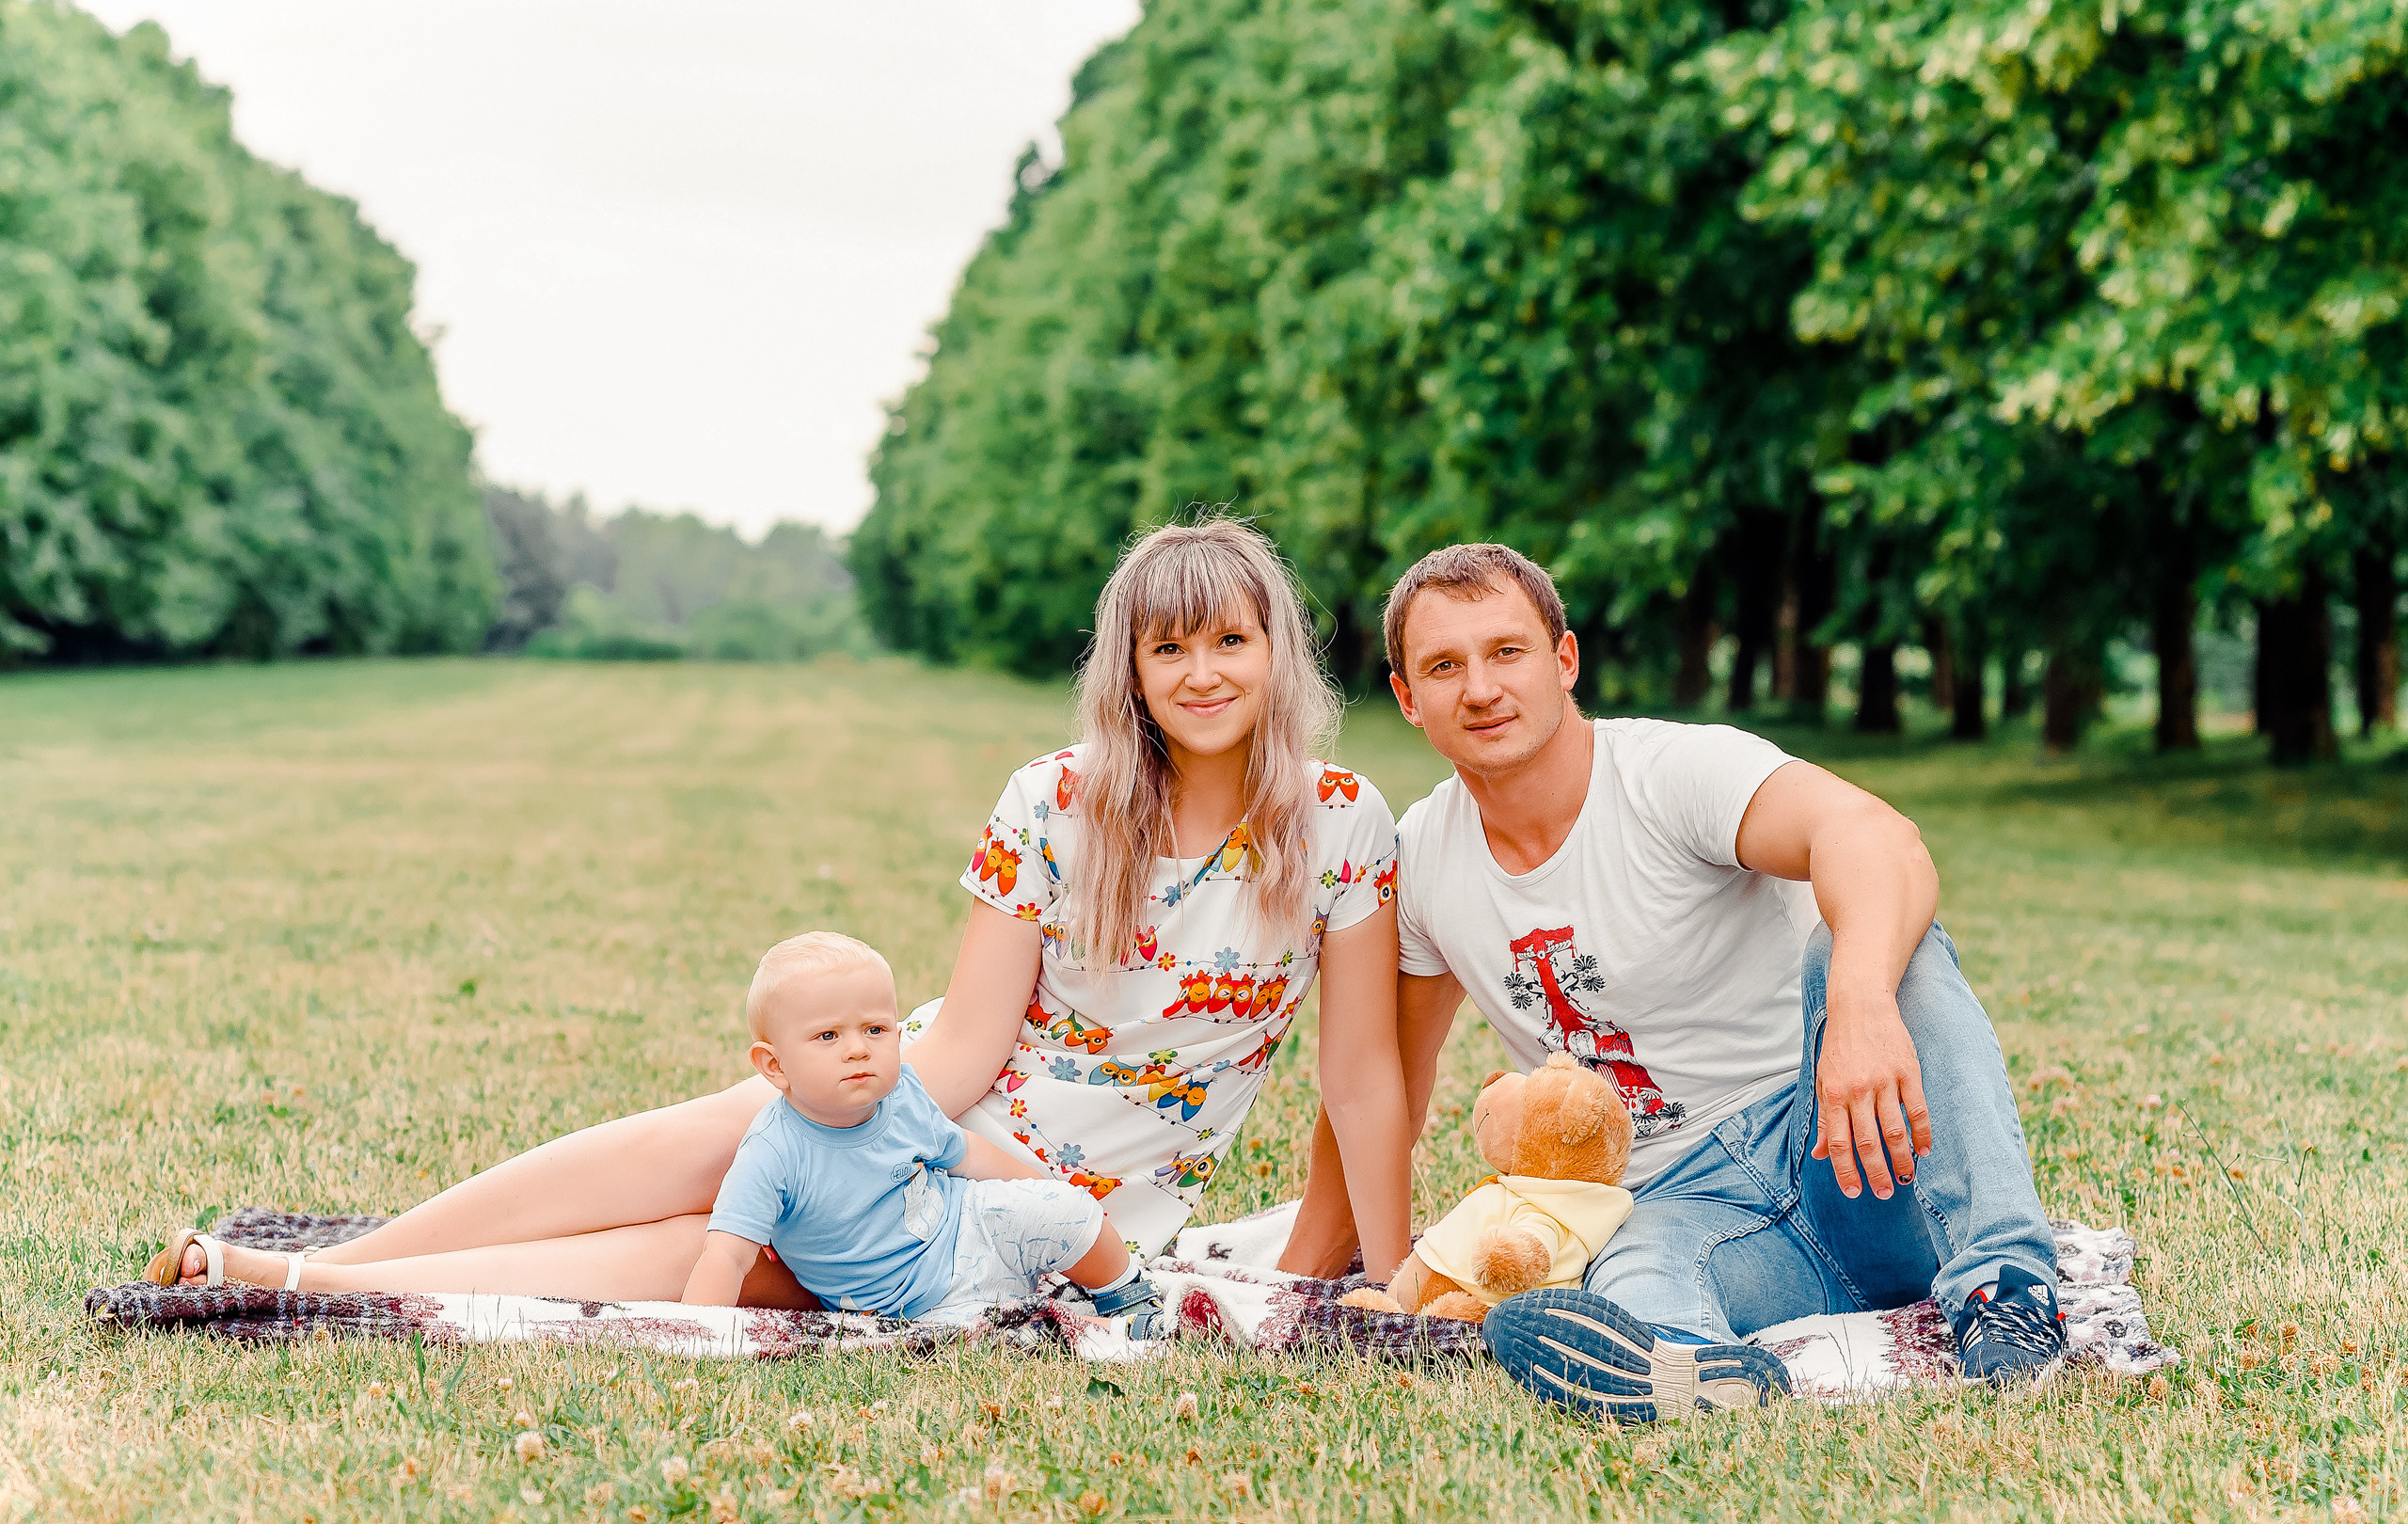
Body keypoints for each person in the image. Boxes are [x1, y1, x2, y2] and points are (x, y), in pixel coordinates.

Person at [149, 519, 1414, 1301]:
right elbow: (966, 1046)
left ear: (1275, 653)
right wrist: (863, 1128)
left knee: (740, 1256)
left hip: (1081, 1194)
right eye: (1169, 650)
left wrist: (1395, 1270)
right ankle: (341, 1265)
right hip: (941, 1097)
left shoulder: (1344, 821)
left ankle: (304, 1278)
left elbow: (1357, 1081)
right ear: (1129, 670)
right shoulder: (1056, 798)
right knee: (733, 1133)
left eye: (1229, 644)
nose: (1201, 675)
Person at [1284, 543, 2065, 1422]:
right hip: (1676, 1207)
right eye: (1443, 666)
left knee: (1889, 949)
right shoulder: (1425, 858)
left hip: (1850, 1146)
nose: (1480, 687)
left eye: (1507, 651)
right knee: (1630, 1275)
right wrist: (1330, 1273)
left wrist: (1857, 1006)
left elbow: (1878, 837)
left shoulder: (1670, 773)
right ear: (1407, 699)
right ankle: (1695, 1370)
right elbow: (1391, 1074)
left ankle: (2007, 1293)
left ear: (1564, 660)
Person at [680, 932, 1162, 1331]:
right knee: (979, 1341)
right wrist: (696, 1337)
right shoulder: (774, 1152)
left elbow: (966, 1154)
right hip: (903, 1309)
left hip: (969, 1228)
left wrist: (1041, 1192)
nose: (857, 1050)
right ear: (773, 1064)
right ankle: (1022, 1315)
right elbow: (726, 1256)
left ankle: (1126, 1293)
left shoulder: (902, 1096)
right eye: (828, 1036)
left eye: (875, 1029)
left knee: (1070, 1210)